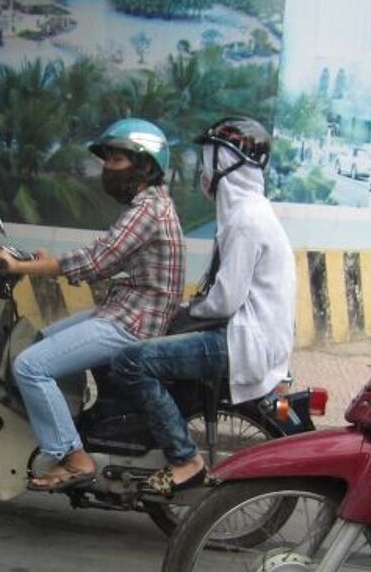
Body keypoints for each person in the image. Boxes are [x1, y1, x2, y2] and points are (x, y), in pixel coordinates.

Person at [0, 118, 185, 491]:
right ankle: (65, 423)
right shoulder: (152, 205)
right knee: (39, 341)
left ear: (144, 166)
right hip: (126, 310)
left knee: (29, 365)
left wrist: (24, 267)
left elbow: (98, 261)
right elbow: (108, 256)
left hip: (132, 323)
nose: (107, 169)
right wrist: (45, 262)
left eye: (116, 160)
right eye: (107, 160)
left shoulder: (149, 211)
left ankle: (72, 456)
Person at [112, 115, 296, 498]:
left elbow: (225, 299)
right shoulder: (249, 211)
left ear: (226, 161)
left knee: (132, 361)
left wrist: (184, 312)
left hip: (240, 340)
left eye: (207, 158)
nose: (203, 169)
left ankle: (185, 459)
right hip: (245, 333)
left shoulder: (245, 219)